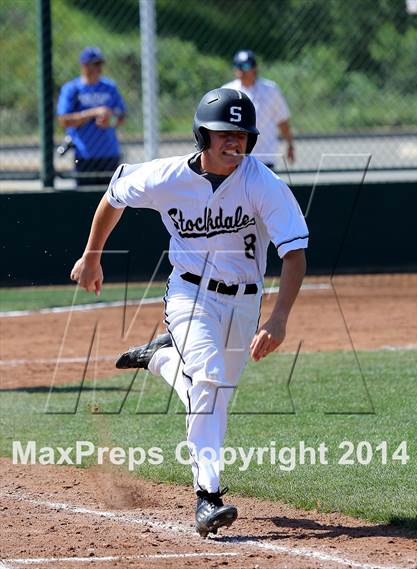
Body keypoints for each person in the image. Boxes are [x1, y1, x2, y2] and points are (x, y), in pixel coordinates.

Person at [70, 88, 308, 537]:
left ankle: (161, 358)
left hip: (245, 300)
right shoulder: (166, 176)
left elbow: (294, 254)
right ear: (202, 135)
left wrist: (278, 318)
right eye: (224, 134)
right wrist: (92, 256)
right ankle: (207, 497)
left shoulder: (262, 183)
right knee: (211, 383)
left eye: (242, 135)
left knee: (213, 395)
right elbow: (114, 194)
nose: (234, 143)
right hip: (188, 296)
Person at [57, 47, 126, 186]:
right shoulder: (73, 89)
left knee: (112, 196)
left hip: (109, 153)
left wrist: (110, 120)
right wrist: (93, 113)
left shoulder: (109, 87)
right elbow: (64, 120)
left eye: (100, 64)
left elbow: (121, 115)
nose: (99, 68)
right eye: (95, 64)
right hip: (84, 154)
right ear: (84, 65)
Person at [222, 49, 295, 169]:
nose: (241, 70)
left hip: (265, 156)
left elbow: (282, 120)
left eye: (245, 66)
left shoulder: (270, 90)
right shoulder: (227, 91)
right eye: (237, 66)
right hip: (237, 156)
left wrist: (290, 145)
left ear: (254, 68)